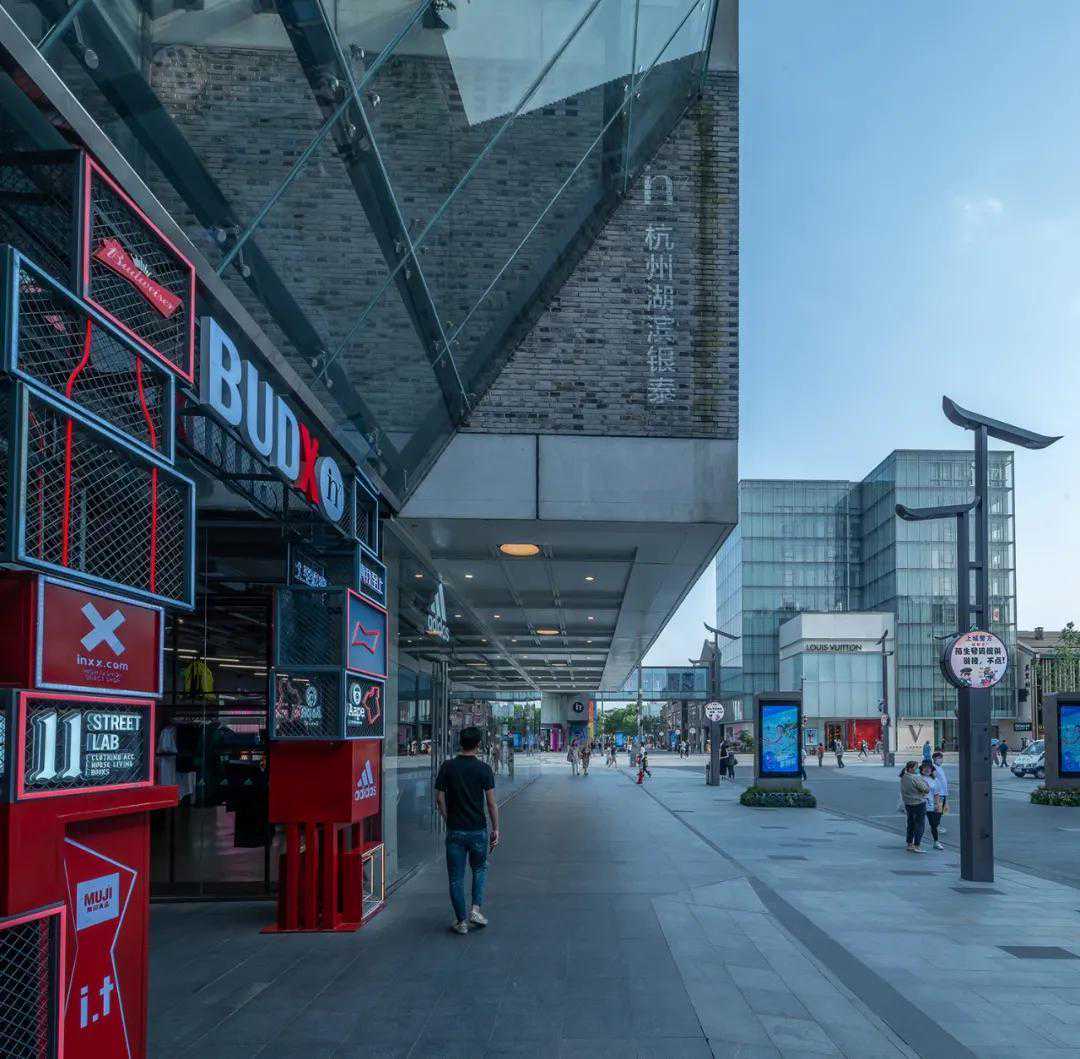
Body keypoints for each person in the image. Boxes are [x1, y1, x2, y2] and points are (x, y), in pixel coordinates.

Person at [434, 726, 499, 935]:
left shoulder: (447, 767)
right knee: (479, 869)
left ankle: (461, 922)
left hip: (455, 830)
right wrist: (496, 829)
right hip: (478, 829)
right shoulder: (484, 769)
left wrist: (448, 818)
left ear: (460, 743)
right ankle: (475, 911)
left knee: (456, 877)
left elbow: (439, 798)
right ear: (478, 745)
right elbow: (491, 803)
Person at [900, 760, 930, 853]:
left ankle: (910, 844)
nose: (918, 769)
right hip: (918, 803)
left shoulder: (904, 777)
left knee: (911, 824)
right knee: (920, 825)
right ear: (910, 769)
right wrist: (924, 782)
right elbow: (926, 789)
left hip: (908, 803)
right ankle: (917, 845)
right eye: (916, 767)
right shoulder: (915, 778)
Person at [921, 761, 946, 850]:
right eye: (925, 768)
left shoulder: (935, 780)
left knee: (934, 824)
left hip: (930, 805)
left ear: (932, 770)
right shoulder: (918, 778)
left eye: (929, 768)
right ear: (922, 769)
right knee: (918, 824)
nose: (927, 770)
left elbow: (936, 794)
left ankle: (936, 842)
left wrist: (936, 805)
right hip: (919, 804)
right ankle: (915, 842)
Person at [931, 750, 948, 833]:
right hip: (939, 794)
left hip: (943, 793)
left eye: (941, 758)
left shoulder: (940, 768)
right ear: (934, 759)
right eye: (939, 758)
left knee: (940, 811)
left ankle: (936, 825)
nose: (941, 760)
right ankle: (936, 827)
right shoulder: (933, 768)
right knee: (938, 811)